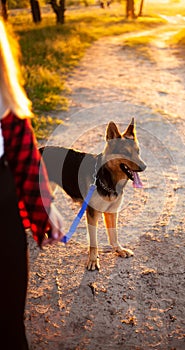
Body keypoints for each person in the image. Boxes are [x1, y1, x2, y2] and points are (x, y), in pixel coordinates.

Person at [0, 19, 64, 349]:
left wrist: (45, 212)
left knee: (8, 321)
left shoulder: (8, 108)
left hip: (3, 232)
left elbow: (27, 164)